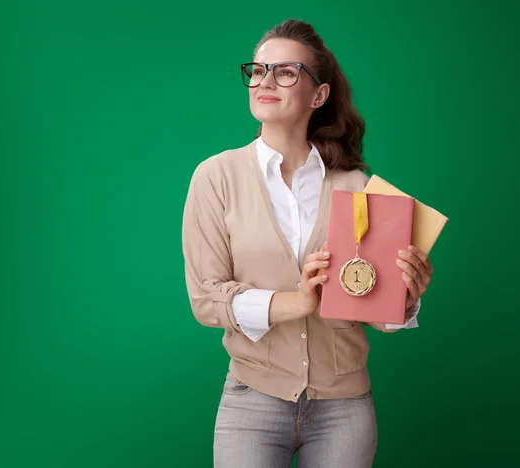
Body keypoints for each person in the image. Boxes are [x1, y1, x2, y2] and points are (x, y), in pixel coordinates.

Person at [181, 18, 434, 468]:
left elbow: (374, 310)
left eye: (286, 71)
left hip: (345, 408)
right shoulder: (215, 176)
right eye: (258, 71)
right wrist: (295, 302)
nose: (265, 81)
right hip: (252, 399)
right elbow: (206, 300)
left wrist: (405, 297)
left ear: (319, 95)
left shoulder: (359, 186)